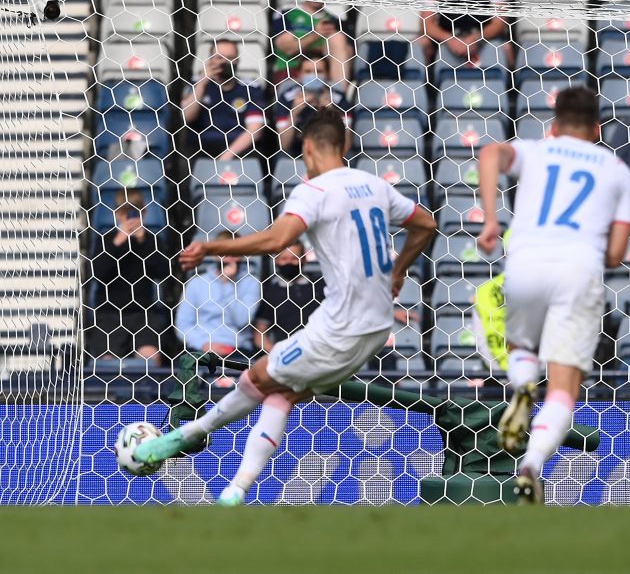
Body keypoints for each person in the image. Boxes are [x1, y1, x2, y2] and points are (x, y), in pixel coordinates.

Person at [133, 108, 438, 505]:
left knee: (255, 378)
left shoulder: (313, 191)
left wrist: (211, 245)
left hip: (340, 327)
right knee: (282, 395)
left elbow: (277, 240)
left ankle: (184, 436)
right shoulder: (374, 185)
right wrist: (399, 271)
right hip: (377, 327)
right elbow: (427, 224)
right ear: (344, 145)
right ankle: (235, 492)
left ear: (307, 147)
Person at [476, 88, 630, 503]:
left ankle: (523, 384)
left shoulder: (535, 151)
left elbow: (491, 154)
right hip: (578, 271)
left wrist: (492, 220)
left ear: (554, 124)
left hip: (526, 264)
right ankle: (531, 463)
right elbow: (616, 254)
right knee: (564, 391)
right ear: (598, 128)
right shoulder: (617, 170)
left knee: (522, 344)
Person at [87, 196, 171, 364]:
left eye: (136, 212)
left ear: (145, 213)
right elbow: (97, 274)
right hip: (109, 314)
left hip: (143, 314)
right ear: (118, 214)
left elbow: (163, 272)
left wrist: (142, 242)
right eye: (126, 212)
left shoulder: (152, 241)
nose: (131, 218)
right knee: (107, 364)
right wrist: (118, 242)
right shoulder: (105, 240)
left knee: (150, 359)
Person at [175, 230, 262, 357]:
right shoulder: (197, 283)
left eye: (235, 252)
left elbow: (242, 320)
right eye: (224, 252)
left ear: (242, 255)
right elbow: (183, 324)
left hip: (238, 349)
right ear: (215, 254)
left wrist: (228, 284)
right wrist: (204, 344)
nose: (230, 256)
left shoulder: (251, 282)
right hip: (201, 348)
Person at [181, 39, 266, 161]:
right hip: (201, 147)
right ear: (210, 61)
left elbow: (255, 130)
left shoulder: (251, 88)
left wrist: (228, 154)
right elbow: (186, 117)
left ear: (237, 61)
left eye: (230, 58)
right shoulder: (195, 85)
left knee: (255, 156)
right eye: (219, 58)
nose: (225, 62)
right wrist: (202, 84)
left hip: (239, 148)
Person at [271, 0, 353, 89]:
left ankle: (338, 97)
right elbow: (286, 48)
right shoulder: (287, 14)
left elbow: (348, 55)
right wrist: (316, 35)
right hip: (291, 74)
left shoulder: (336, 21)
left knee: (337, 38)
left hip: (325, 76)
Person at [254, 240, 325, 353]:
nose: (289, 263)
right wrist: (278, 355)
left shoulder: (320, 285)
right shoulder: (270, 291)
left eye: (294, 258)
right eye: (284, 259)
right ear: (276, 260)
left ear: (304, 259)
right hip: (287, 353)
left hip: (321, 350)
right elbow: (259, 334)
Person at [274, 54, 351, 157]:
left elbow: (346, 145)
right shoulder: (287, 98)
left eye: (318, 71)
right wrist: (294, 113)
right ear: (300, 75)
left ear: (327, 74)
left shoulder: (339, 99)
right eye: (308, 72)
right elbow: (284, 145)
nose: (313, 76)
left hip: (329, 153)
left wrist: (331, 112)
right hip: (296, 154)